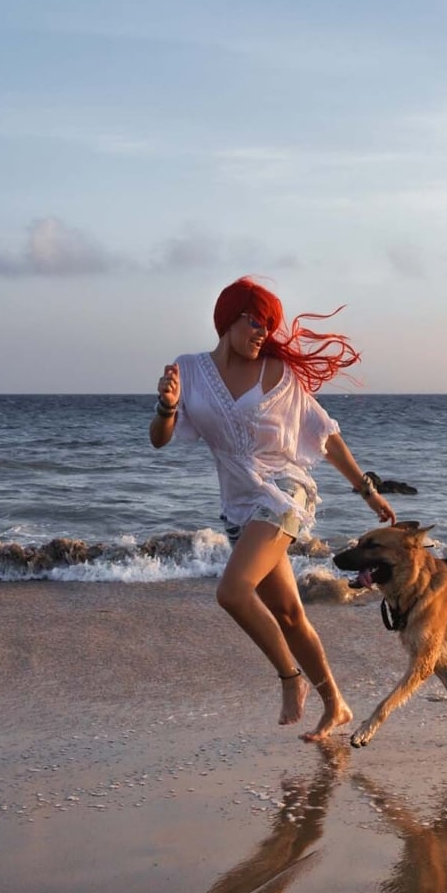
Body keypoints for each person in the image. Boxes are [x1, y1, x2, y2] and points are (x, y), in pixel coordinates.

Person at [150, 277, 396, 741]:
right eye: (255, 321)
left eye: (269, 325)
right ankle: (336, 704)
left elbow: (326, 437)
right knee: (288, 614)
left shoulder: (281, 376)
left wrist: (366, 490)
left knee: (232, 592)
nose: (263, 332)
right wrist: (165, 407)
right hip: (240, 506)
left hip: (285, 493)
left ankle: (290, 679)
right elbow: (160, 439)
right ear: (229, 317)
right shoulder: (190, 371)